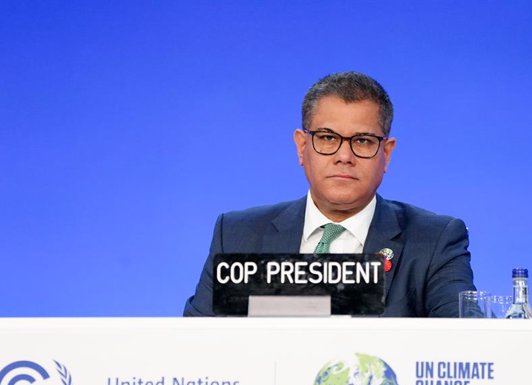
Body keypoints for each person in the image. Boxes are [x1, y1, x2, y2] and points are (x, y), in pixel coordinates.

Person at [184, 71, 475, 317]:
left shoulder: (434, 241)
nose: (344, 156)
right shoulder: (238, 235)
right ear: (301, 146)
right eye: (327, 138)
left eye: (362, 141)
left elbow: (467, 345)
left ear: (386, 154)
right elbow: (194, 346)